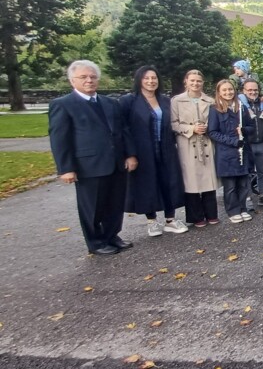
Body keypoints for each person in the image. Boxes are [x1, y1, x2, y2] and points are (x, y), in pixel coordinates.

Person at [49, 60, 138, 255]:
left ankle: (112, 235)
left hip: (116, 162)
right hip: (88, 165)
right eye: (83, 77)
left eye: (92, 77)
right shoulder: (63, 105)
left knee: (115, 203)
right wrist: (65, 168)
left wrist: (130, 154)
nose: (89, 80)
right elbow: (59, 139)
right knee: (93, 206)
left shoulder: (110, 103)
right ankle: (96, 242)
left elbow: (123, 131)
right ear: (73, 80)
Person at [118, 66, 187, 237]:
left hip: (165, 148)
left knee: (168, 181)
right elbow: (123, 129)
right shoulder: (129, 101)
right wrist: (129, 154)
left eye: (154, 78)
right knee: (148, 184)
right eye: (146, 78)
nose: (151, 81)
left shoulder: (164, 100)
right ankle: (152, 221)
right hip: (142, 151)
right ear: (139, 80)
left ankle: (170, 219)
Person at [171, 69, 219, 227]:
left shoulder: (210, 101)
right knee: (191, 181)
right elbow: (173, 123)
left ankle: (211, 213)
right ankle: (196, 216)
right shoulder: (177, 101)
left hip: (206, 143)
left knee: (208, 179)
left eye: (198, 81)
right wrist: (190, 129)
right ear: (186, 82)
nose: (195, 84)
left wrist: (208, 127)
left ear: (203, 83)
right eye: (192, 80)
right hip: (188, 144)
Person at [208, 79, 254, 224]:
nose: (228, 92)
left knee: (243, 184)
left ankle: (242, 208)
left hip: (243, 152)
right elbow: (213, 132)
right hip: (226, 154)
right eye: (224, 90)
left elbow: (251, 126)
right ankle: (233, 210)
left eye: (230, 89)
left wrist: (244, 130)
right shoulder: (215, 109)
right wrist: (233, 141)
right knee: (230, 186)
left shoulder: (241, 108)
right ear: (219, 93)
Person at [240, 79, 263, 209]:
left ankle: (262, 195)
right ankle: (247, 198)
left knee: (262, 172)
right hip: (247, 144)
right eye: (250, 90)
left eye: (255, 90)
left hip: (262, 142)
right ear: (244, 91)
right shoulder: (240, 105)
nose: (253, 92)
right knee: (246, 173)